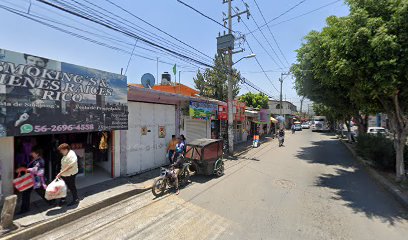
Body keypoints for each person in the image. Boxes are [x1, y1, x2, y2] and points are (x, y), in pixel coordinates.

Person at [17, 148, 50, 214]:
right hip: (32, 180)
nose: (31, 154)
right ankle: (25, 208)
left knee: (41, 192)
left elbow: (35, 170)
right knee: (26, 193)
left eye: (33, 152)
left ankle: (52, 200)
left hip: (37, 180)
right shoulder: (35, 160)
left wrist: (24, 169)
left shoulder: (40, 161)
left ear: (37, 153)